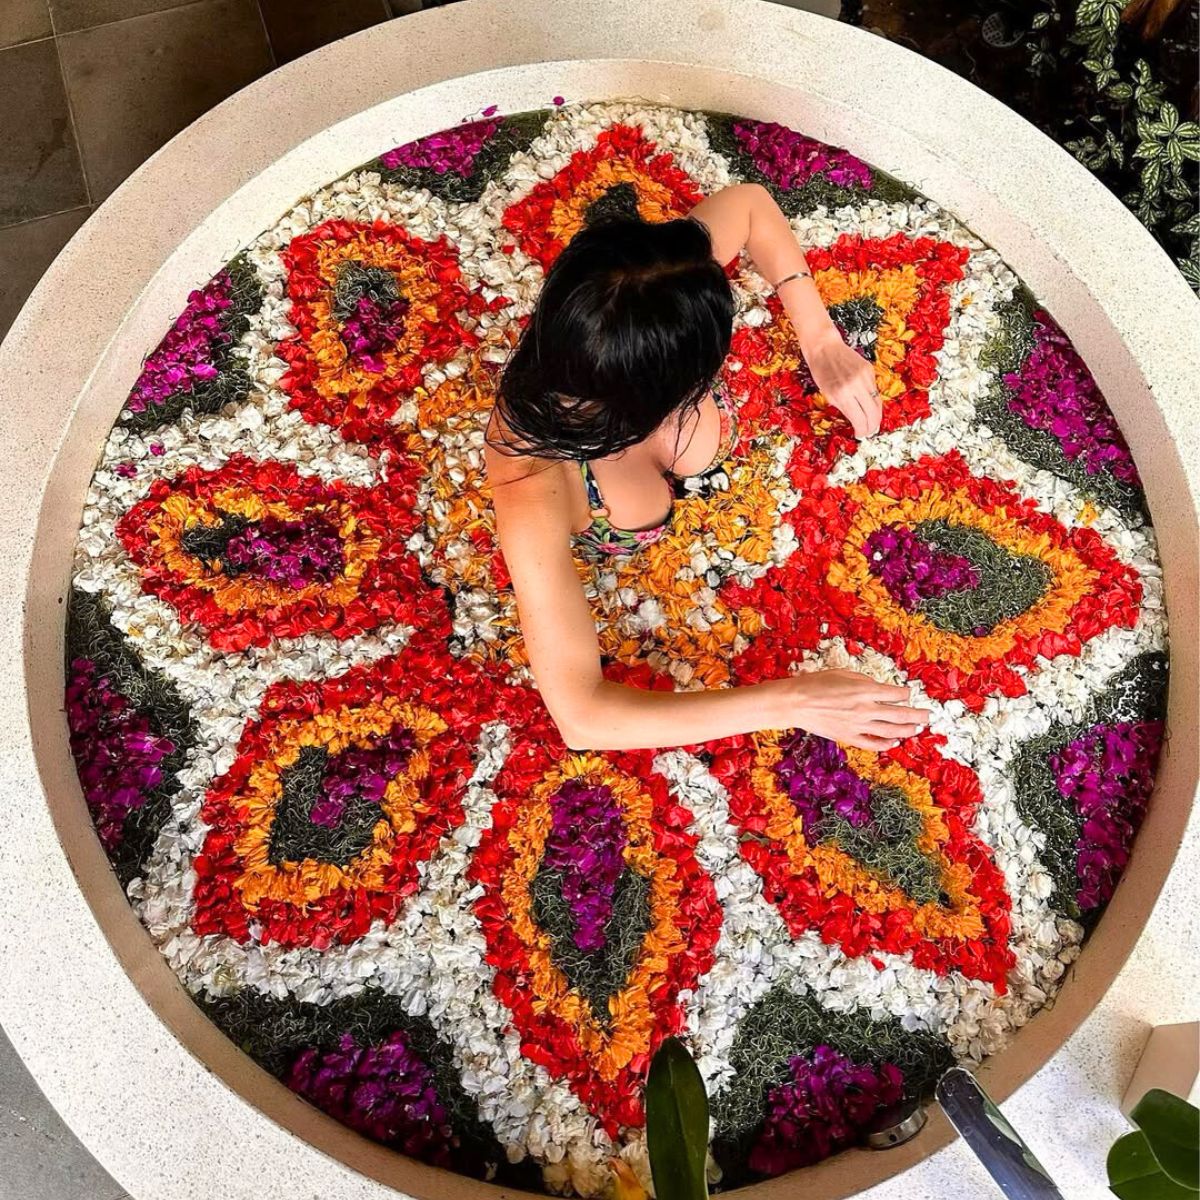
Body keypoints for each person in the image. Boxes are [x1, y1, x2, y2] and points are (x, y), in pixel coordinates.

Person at [484, 182, 931, 752]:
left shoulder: (647, 283)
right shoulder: (532, 473)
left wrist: (820, 338)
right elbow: (582, 717)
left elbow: (750, 205)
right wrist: (794, 701)